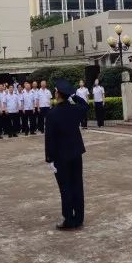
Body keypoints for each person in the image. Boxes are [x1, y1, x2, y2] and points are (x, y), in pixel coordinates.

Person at [45, 78, 88, 230]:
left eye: (55, 91)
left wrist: (49, 158)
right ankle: (79, 218)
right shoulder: (75, 109)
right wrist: (74, 96)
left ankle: (69, 219)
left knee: (65, 187)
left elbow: (49, 138)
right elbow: (85, 106)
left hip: (60, 156)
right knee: (77, 185)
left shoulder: (52, 114)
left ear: (58, 94)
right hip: (76, 153)